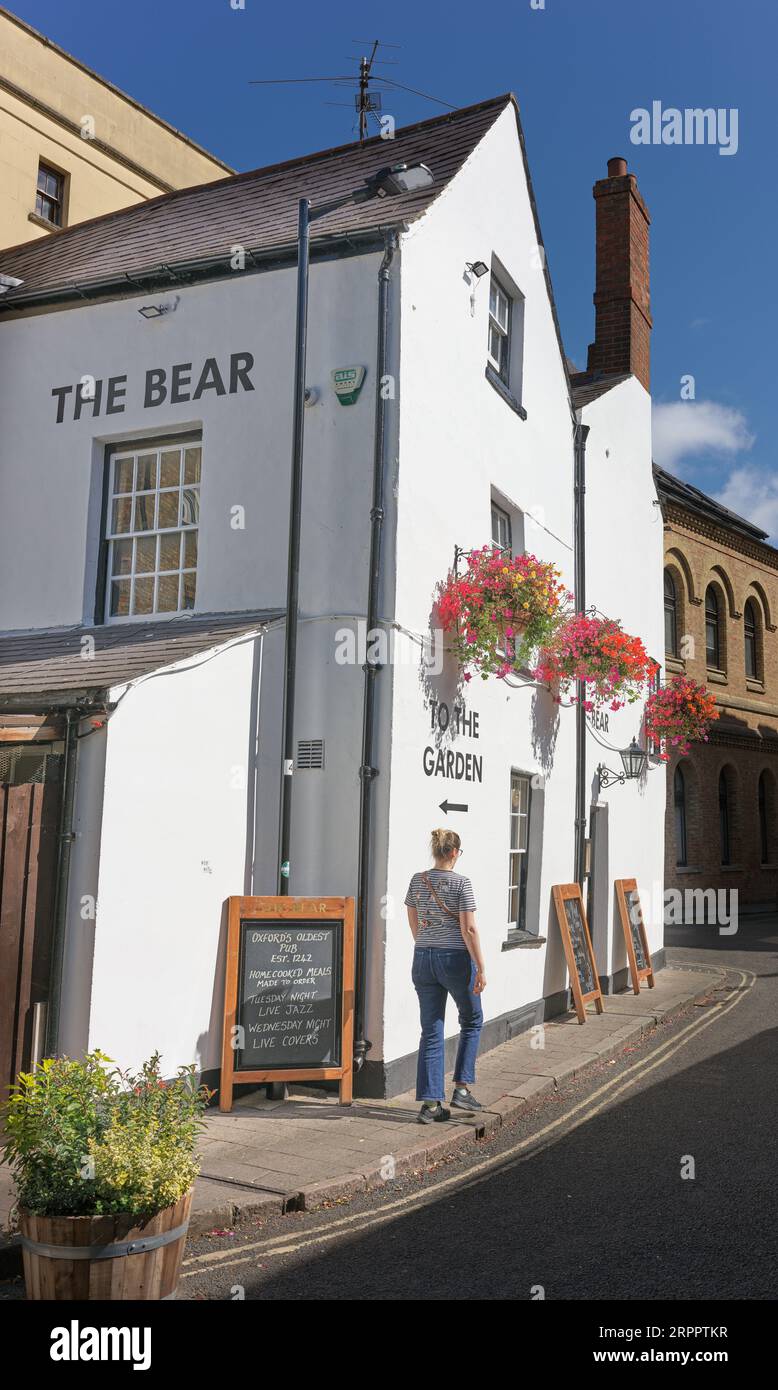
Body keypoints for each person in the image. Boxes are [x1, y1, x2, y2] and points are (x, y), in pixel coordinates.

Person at [405, 828, 486, 1124]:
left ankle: (430, 1105)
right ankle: (461, 1088)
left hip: (423, 957)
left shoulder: (417, 879)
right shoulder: (461, 883)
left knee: (431, 1029)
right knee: (472, 1019)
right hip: (455, 959)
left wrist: (424, 942)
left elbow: (412, 918)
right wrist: (481, 966)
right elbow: (469, 929)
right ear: (454, 853)